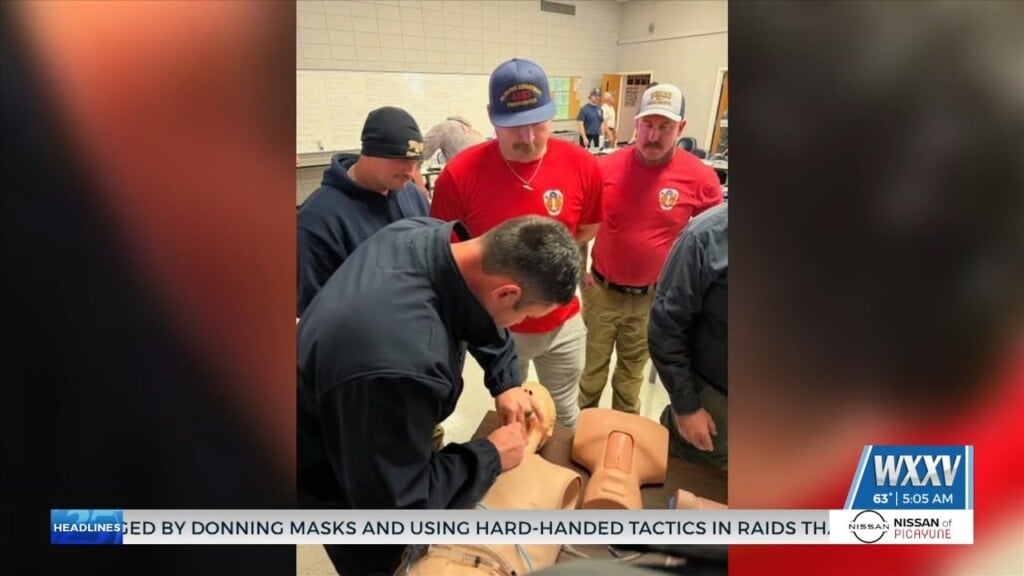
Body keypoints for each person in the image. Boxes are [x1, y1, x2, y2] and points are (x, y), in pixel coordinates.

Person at [297, 215, 581, 576]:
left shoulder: (422, 236)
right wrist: (491, 454)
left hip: (359, 408)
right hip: (340, 480)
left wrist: (506, 380)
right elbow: (397, 507)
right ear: (507, 293)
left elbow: (473, 311)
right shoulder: (401, 364)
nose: (517, 326)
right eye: (524, 314)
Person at [431, 57, 604, 430]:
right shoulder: (459, 176)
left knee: (567, 416)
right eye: (514, 127)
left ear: (553, 114)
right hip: (498, 330)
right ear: (491, 116)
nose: (527, 138)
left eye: (537, 124)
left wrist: (541, 264)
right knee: (511, 418)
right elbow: (444, 255)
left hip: (563, 323)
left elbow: (588, 226)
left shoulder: (582, 165)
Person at [579, 84, 723, 415]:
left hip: (653, 299)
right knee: (590, 374)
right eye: (648, 125)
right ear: (637, 124)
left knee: (630, 380)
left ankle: (621, 438)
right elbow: (584, 225)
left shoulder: (701, 178)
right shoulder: (605, 169)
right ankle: (582, 432)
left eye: (665, 127)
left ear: (681, 128)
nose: (653, 135)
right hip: (601, 290)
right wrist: (579, 271)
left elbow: (709, 252)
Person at [296, 106, 428, 317]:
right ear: (370, 153)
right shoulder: (316, 221)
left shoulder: (412, 195)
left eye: (416, 162)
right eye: (401, 160)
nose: (411, 172)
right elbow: (314, 314)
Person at [648, 203, 728, 471]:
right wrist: (687, 405)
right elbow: (666, 324)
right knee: (690, 492)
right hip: (717, 405)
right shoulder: (707, 235)